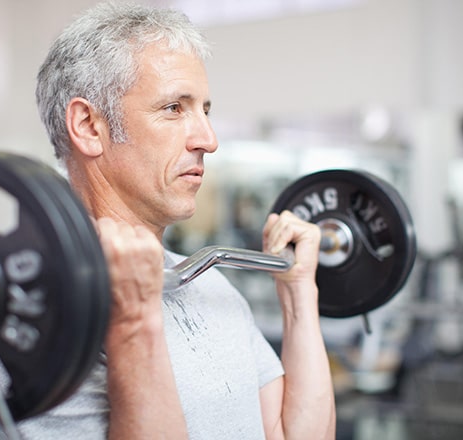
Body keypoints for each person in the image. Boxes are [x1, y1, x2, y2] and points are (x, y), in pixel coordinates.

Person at [22, 2, 336, 438]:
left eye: (204, 110)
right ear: (90, 126)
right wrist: (132, 321)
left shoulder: (208, 281)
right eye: (174, 108)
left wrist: (299, 295)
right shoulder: (37, 313)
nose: (208, 139)